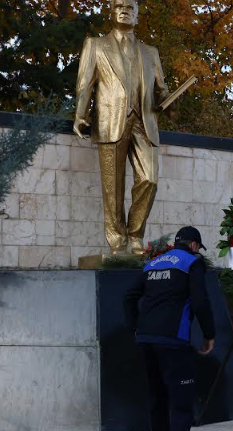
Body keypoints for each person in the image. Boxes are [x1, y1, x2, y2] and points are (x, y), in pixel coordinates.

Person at [74, 0, 170, 255]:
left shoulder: (151, 52)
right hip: (110, 121)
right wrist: (80, 114)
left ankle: (135, 236)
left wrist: (168, 100)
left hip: (144, 122)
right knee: (112, 187)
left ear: (137, 16)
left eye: (131, 7)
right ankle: (118, 241)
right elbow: (85, 83)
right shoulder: (95, 45)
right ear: (112, 12)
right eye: (120, 6)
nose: (125, 9)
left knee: (149, 178)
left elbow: (162, 89)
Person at [124, 226, 216, 431]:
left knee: (157, 399)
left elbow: (129, 297)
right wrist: (209, 334)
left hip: (146, 340)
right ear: (194, 245)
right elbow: (200, 302)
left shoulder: (152, 263)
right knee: (181, 407)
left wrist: (135, 328)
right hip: (173, 343)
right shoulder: (192, 263)